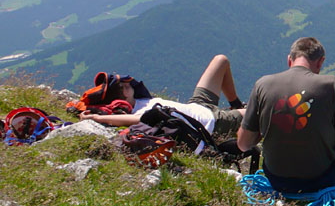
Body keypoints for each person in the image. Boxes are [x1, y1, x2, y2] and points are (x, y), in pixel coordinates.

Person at [237, 37, 335, 192]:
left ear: (289, 60)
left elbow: (243, 144)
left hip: (276, 179)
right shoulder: (332, 86)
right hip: (323, 180)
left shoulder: (262, 84)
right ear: (321, 61)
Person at [80, 54, 247, 152]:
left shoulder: (140, 100)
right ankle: (241, 113)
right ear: (124, 91)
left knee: (221, 60)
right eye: (126, 85)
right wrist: (97, 118)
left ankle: (236, 105)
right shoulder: (138, 114)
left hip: (197, 105)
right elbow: (137, 120)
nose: (131, 83)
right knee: (261, 110)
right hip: (211, 123)